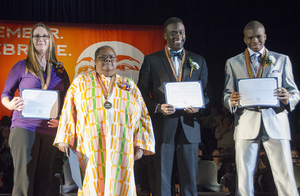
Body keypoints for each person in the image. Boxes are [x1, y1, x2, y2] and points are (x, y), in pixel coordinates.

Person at [54, 45, 155, 195]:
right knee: (92, 183)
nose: (108, 60)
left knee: (121, 185)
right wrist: (65, 138)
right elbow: (68, 110)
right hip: (90, 146)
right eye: (103, 57)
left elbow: (142, 115)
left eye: (111, 57)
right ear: (94, 61)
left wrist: (140, 144)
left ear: (116, 61)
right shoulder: (80, 82)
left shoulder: (129, 85)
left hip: (122, 146)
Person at [223, 20, 299, 196]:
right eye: (250, 37)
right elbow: (226, 94)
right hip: (246, 122)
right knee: (244, 176)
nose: (255, 41)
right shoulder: (233, 63)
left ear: (265, 37)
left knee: (285, 174)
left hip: (276, 121)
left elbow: (294, 92)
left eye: (258, 36)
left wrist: (288, 98)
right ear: (244, 39)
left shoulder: (281, 60)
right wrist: (230, 100)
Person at [138, 17, 209, 196]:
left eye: (181, 32)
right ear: (165, 36)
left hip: (189, 124)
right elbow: (141, 94)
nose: (178, 36)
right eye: (173, 33)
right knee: (162, 177)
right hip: (163, 125)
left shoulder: (198, 59)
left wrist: (199, 106)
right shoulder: (152, 60)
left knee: (190, 178)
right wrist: (158, 107)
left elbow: (206, 94)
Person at [1, 23, 70, 195]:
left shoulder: (60, 70)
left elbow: (69, 101)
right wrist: (9, 104)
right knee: (24, 180)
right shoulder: (21, 66)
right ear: (32, 41)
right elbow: (5, 94)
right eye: (37, 36)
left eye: (45, 36)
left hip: (50, 131)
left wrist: (62, 120)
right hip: (24, 128)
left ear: (50, 41)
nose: (41, 39)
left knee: (45, 181)